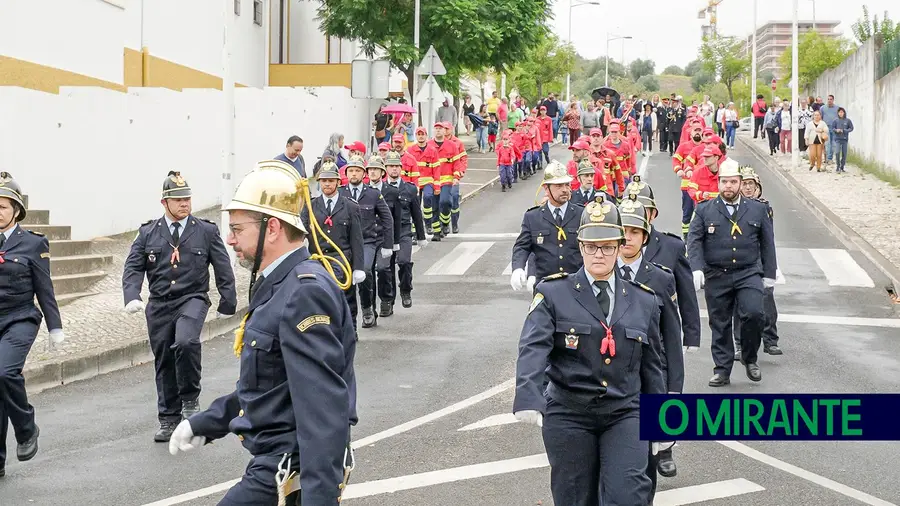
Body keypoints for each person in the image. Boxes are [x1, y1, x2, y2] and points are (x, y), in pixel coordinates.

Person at [169, 160, 357, 505]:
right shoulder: (281, 284)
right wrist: (206, 423)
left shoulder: (304, 292)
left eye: (238, 229)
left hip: (288, 470)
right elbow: (270, 385)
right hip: (275, 465)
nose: (230, 239)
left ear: (272, 228)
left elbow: (323, 409)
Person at [512, 199, 667, 506]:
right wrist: (528, 396)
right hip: (569, 412)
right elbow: (533, 346)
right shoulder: (553, 293)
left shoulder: (643, 300)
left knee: (627, 495)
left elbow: (652, 366)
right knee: (574, 498)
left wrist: (661, 419)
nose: (600, 254)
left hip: (625, 412)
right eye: (592, 246)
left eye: (608, 247)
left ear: (619, 246)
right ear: (580, 247)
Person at [123, 171, 236, 442]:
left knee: (185, 343)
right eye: (178, 200)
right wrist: (132, 296)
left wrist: (227, 302)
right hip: (160, 303)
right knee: (163, 358)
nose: (184, 204)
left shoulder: (206, 231)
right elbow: (133, 266)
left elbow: (222, 265)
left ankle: (189, 400)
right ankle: (168, 418)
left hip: (192, 299)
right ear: (165, 203)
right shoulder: (148, 233)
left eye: (187, 198)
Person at [617, 193, 684, 496]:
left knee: (645, 467)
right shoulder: (600, 273)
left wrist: (673, 393)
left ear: (645, 236)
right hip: (614, 382)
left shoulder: (659, 278)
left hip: (651, 379)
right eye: (623, 231)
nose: (627, 238)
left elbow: (671, 337)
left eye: (634, 232)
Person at [687, 160, 777, 387]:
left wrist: (769, 273)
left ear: (740, 184)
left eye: (733, 182)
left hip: (748, 272)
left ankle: (749, 357)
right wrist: (696, 267)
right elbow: (694, 241)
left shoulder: (758, 209)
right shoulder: (704, 209)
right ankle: (722, 369)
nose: (729, 186)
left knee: (755, 314)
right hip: (717, 274)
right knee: (720, 324)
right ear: (719, 183)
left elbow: (768, 243)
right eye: (725, 182)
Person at [0, 172, 64, 477]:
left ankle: (26, 429)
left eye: (2, 206)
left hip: (19, 318)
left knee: (3, 371)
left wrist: (55, 327)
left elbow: (44, 287)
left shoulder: (33, 243)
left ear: (16, 210)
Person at [302, 162, 365, 331]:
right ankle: (325, 332)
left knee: (345, 297)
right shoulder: (310, 206)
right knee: (319, 297)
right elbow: (299, 235)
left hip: (342, 258)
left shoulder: (350, 207)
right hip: (318, 259)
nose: (327, 184)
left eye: (331, 180)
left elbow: (356, 239)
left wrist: (359, 267)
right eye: (324, 181)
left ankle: (350, 330)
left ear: (338, 182)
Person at [510, 161, 582, 292]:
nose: (565, 189)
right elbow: (522, 246)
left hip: (576, 286)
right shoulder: (532, 217)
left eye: (567, 184)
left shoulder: (582, 214)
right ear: (546, 188)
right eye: (559, 185)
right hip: (545, 286)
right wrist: (518, 268)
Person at [733, 166, 782, 357]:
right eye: (743, 184)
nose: (747, 188)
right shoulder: (733, 208)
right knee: (739, 305)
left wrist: (770, 268)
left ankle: (770, 340)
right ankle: (739, 343)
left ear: (758, 187)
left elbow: (768, 240)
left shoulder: (764, 208)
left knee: (767, 300)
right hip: (740, 261)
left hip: (760, 260)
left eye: (750, 184)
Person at [340, 156, 394, 329]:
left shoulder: (373, 194)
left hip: (367, 241)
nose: (353, 174)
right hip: (344, 243)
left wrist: (388, 244)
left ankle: (367, 309)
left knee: (364, 272)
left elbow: (388, 219)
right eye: (350, 171)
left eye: (357, 170)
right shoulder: (341, 193)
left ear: (363, 174)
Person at [383, 152, 427, 308]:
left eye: (396, 166)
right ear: (386, 168)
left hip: (403, 231)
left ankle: (406, 289)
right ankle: (389, 299)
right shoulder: (381, 189)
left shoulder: (409, 189)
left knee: (404, 261)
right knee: (386, 268)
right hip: (387, 233)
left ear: (401, 168)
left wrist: (421, 236)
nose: (394, 169)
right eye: (391, 166)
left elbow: (416, 214)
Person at [830, 107, 853, 173]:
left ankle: (842, 166)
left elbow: (851, 128)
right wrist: (836, 130)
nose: (841, 113)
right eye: (840, 112)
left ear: (844, 113)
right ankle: (838, 166)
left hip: (845, 140)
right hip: (837, 139)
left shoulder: (848, 120)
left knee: (844, 154)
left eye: (842, 112)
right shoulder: (835, 120)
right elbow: (832, 128)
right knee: (837, 152)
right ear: (838, 113)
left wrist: (844, 131)